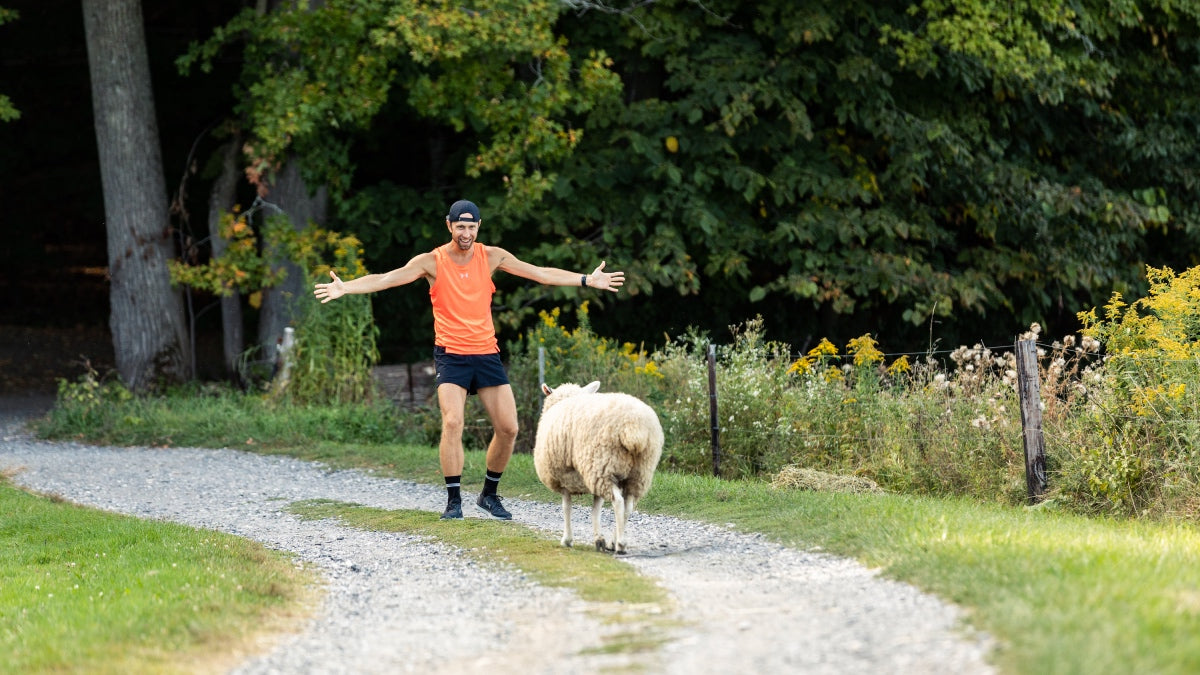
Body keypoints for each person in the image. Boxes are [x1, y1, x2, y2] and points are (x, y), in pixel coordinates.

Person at [314, 199, 625, 520]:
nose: (466, 233)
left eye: (471, 227)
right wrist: (345, 288)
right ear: (449, 226)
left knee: (508, 428)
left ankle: (488, 495)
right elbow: (385, 279)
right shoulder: (431, 261)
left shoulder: (491, 256)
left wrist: (587, 279)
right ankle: (453, 500)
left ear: (479, 227)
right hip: (451, 355)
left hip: (486, 353)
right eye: (460, 226)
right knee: (452, 422)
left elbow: (540, 273)